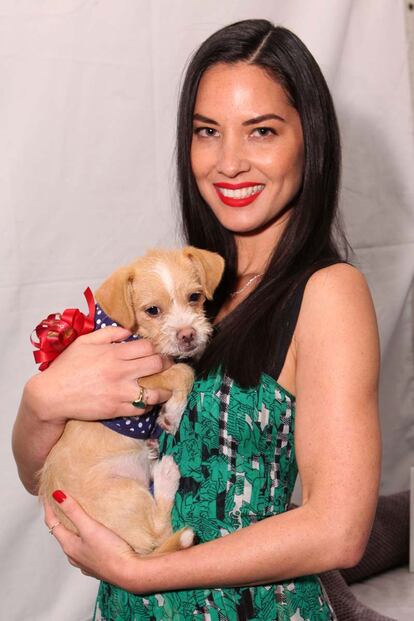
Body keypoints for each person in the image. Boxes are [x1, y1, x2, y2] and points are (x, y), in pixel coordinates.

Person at [12, 19, 381, 621]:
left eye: (261, 131)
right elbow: (41, 474)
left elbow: (337, 531)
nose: (229, 162)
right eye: (207, 131)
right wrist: (41, 401)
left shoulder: (328, 293)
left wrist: (143, 570)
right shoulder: (183, 292)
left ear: (309, 140)